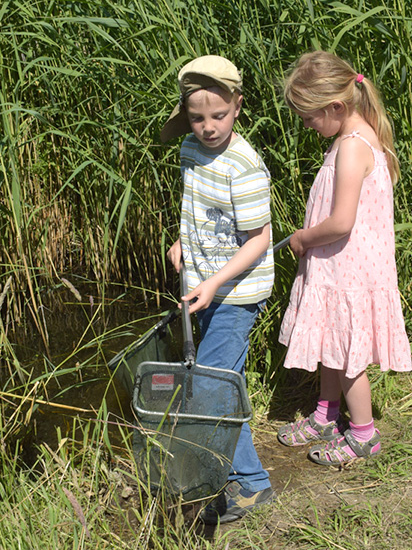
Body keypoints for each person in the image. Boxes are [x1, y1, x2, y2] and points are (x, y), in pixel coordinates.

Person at [276, 51, 412, 466]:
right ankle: (325, 416)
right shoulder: (357, 137)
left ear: (336, 106)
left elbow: (341, 222)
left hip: (349, 269)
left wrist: (302, 237)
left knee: (350, 357)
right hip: (340, 269)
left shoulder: (353, 148)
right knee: (332, 346)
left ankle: (363, 436)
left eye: (309, 117)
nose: (306, 126)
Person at [160, 55, 276, 523]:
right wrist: (181, 241)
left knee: (210, 386)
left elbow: (259, 240)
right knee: (223, 383)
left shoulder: (244, 166)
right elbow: (200, 211)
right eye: (197, 117)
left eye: (219, 116)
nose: (208, 127)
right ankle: (234, 474)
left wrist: (211, 281)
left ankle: (251, 483)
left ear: (238, 107)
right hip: (204, 285)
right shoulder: (190, 149)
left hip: (236, 293)